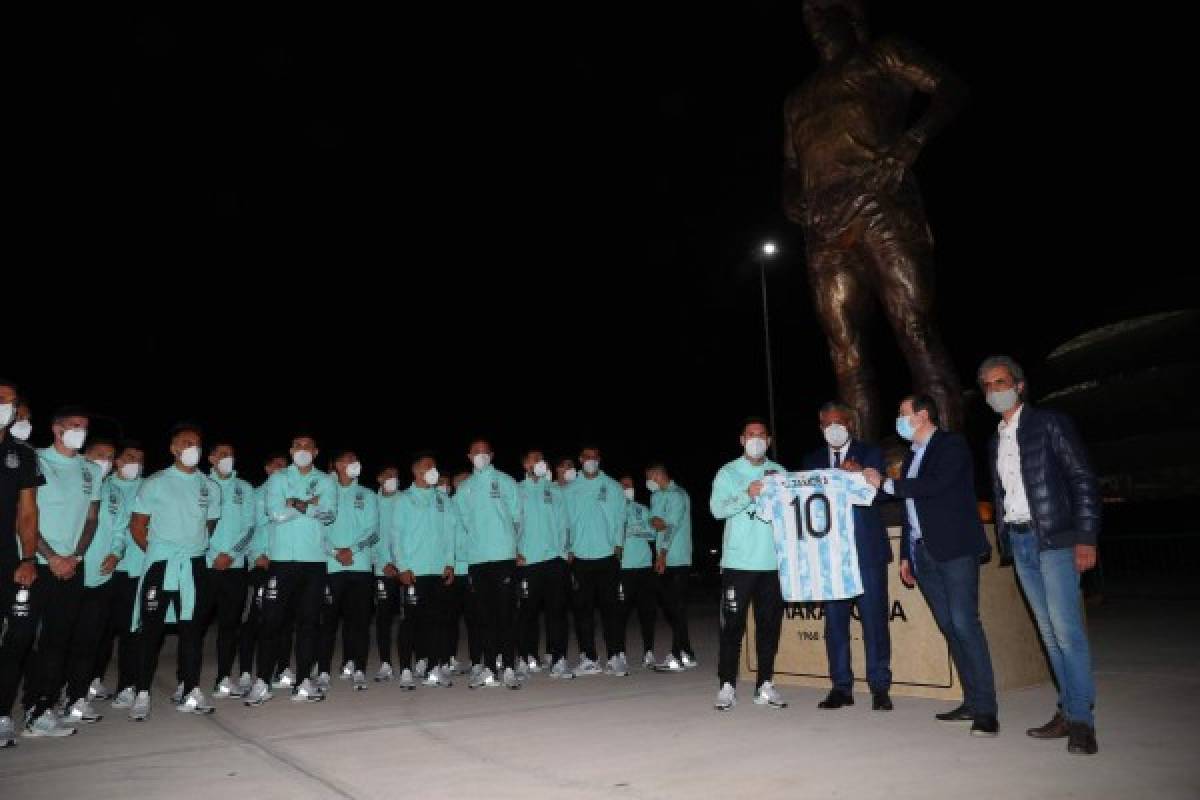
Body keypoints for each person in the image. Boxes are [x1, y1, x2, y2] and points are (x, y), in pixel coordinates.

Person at [979, 356, 1100, 755]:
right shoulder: (996, 439)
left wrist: (1086, 537)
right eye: (988, 386)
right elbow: (1003, 494)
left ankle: (1082, 721)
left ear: (1019, 385)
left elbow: (1082, 478)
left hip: (1055, 539)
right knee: (1048, 634)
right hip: (1021, 541)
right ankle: (1068, 708)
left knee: (1068, 632)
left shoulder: (1049, 423)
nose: (995, 390)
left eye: (1001, 382)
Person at [863, 394, 999, 737]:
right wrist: (908, 554)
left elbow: (933, 487)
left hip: (954, 550)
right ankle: (971, 701)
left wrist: (885, 482)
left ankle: (987, 711)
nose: (900, 420)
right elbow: (912, 508)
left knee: (966, 623)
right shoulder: (912, 456)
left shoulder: (951, 445)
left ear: (923, 415)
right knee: (950, 627)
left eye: (903, 414)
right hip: (923, 553)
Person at [800, 402, 893, 711]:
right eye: (826, 424)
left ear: (851, 424)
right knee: (836, 624)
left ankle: (880, 687)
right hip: (830, 558)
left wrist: (860, 476)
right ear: (820, 427)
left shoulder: (871, 453)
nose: (833, 428)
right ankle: (841, 687)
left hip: (867, 552)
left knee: (875, 622)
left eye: (838, 422)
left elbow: (880, 494)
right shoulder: (812, 461)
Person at [127, 424, 222, 721]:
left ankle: (189, 688)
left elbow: (209, 525)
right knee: (151, 631)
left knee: (192, 630)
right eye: (185, 442)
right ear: (173, 448)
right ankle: (141, 692)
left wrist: (190, 547)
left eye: (196, 442)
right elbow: (138, 526)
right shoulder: (156, 482)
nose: (192, 446)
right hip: (161, 564)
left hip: (194, 565)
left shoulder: (210, 486)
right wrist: (159, 554)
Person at [245, 434, 337, 706]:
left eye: (308, 446)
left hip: (314, 562)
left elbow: (329, 514)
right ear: (291, 450)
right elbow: (274, 513)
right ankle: (262, 681)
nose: (303, 450)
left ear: (317, 451)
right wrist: (309, 504)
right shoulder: (278, 479)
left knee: (309, 623)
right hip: (282, 561)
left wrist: (293, 503)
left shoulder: (326, 481)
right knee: (271, 622)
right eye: (298, 446)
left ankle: (303, 683)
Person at [710, 418, 788, 711]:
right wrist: (748, 494)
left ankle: (764, 684)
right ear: (742, 440)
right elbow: (717, 510)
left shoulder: (780, 472)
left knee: (769, 627)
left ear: (768, 441)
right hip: (738, 563)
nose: (756, 439)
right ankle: (727, 684)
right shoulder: (728, 472)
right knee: (732, 626)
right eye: (751, 435)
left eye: (761, 435)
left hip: (772, 563)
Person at [0, 380, 49, 747]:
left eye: (10, 401)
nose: (6, 405)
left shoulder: (23, 454)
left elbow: (28, 512)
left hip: (9, 560)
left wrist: (29, 558)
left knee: (19, 636)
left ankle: (3, 714)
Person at [456, 439, 522, 689]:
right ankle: (489, 668)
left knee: (505, 614)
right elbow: (462, 525)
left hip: (503, 557)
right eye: (476, 452)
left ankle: (508, 668)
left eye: (485, 452)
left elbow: (517, 517)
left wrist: (513, 546)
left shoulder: (506, 481)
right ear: (469, 456)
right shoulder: (464, 489)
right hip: (477, 561)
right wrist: (466, 554)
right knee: (484, 617)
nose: (481, 455)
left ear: (492, 455)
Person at [390, 453, 456, 690]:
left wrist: (450, 563)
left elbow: (450, 534)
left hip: (437, 570)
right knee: (411, 622)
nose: (433, 471)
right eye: (429, 467)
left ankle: (432, 669)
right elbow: (396, 537)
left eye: (435, 467)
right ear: (417, 472)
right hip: (414, 572)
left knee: (437, 621)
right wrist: (403, 567)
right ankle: (406, 669)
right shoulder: (404, 499)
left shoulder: (443, 499)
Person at [198, 442, 256, 700]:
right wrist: (212, 555)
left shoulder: (244, 488)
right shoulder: (199, 484)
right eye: (221, 454)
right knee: (194, 626)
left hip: (234, 567)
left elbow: (250, 527)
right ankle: (186, 682)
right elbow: (193, 525)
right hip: (204, 566)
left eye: (231, 454)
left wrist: (230, 555)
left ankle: (223, 678)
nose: (227, 458)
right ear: (210, 458)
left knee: (229, 626)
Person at [91, 442, 146, 710]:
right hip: (103, 570)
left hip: (135, 570)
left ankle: (127, 685)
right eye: (129, 457)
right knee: (98, 631)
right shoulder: (103, 485)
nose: (135, 462)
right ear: (117, 462)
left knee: (130, 632)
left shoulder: (148, 488)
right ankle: (91, 681)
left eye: (140, 459)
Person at [316, 450, 376, 692]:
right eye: (349, 460)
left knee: (359, 622)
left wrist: (351, 550)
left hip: (360, 567)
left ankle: (358, 669)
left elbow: (373, 531)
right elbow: (317, 528)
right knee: (327, 623)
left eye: (356, 460)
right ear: (337, 465)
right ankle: (322, 671)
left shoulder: (367, 494)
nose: (355, 464)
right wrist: (334, 553)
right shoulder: (324, 493)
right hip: (330, 567)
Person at [563, 446, 625, 677]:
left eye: (594, 457)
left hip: (607, 555)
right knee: (582, 611)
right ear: (580, 460)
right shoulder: (570, 489)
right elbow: (564, 522)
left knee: (612, 610)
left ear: (599, 460)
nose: (591, 461)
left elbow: (621, 517)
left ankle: (616, 657)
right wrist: (566, 548)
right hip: (579, 557)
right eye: (587, 457)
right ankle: (589, 659)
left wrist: (618, 544)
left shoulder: (613, 486)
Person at [515, 449, 572, 679]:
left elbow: (564, 523)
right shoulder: (516, 491)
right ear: (525, 464)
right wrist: (514, 551)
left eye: (542, 459)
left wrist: (565, 551)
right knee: (526, 614)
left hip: (554, 561)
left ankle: (558, 660)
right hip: (527, 562)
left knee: (557, 613)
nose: (540, 462)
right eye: (535, 459)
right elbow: (510, 524)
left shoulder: (554, 490)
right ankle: (527, 657)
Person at [237, 453, 286, 695]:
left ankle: (280, 669)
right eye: (276, 464)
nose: (281, 468)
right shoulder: (255, 496)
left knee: (281, 620)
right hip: (261, 565)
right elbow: (246, 529)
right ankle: (246, 672)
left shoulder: (291, 496)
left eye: (284, 465)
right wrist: (257, 554)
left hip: (285, 564)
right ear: (267, 468)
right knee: (254, 620)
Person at [645, 462, 695, 672]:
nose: (647, 483)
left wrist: (663, 553)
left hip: (677, 557)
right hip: (661, 557)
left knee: (677, 606)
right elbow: (654, 521)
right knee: (671, 607)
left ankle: (676, 655)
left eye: (648, 477)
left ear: (658, 475)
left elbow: (670, 526)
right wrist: (657, 522)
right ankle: (687, 653)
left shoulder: (678, 495)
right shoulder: (656, 496)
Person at [616, 476, 656, 671]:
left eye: (630, 485)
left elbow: (653, 534)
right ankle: (620, 653)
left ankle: (649, 652)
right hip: (622, 569)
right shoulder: (613, 509)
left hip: (645, 567)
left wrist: (634, 530)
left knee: (647, 612)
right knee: (620, 614)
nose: (627, 488)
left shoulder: (642, 509)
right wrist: (637, 530)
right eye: (623, 485)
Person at [371, 464, 402, 682]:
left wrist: (406, 564)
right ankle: (385, 663)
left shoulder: (405, 499)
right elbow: (368, 535)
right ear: (379, 478)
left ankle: (419, 660)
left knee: (413, 615)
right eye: (389, 475)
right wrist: (382, 564)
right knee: (384, 618)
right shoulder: (371, 502)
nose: (393, 478)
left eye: (396, 475)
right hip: (383, 569)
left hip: (408, 567)